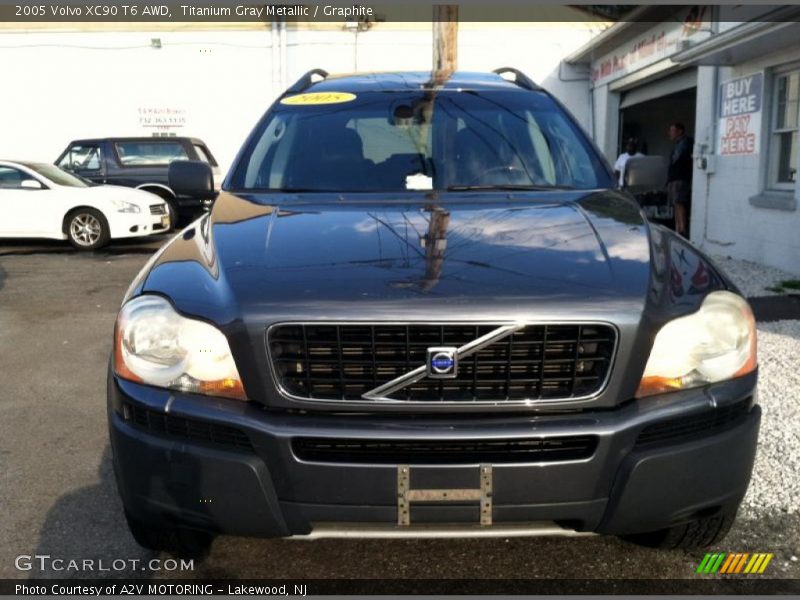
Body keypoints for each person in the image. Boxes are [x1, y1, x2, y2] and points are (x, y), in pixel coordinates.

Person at [667, 122, 694, 236]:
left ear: (680, 131)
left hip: (681, 178)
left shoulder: (686, 142)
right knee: (676, 203)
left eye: (672, 130)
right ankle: (678, 230)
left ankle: (682, 230)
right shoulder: (678, 144)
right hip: (674, 178)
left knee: (680, 202)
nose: (670, 133)